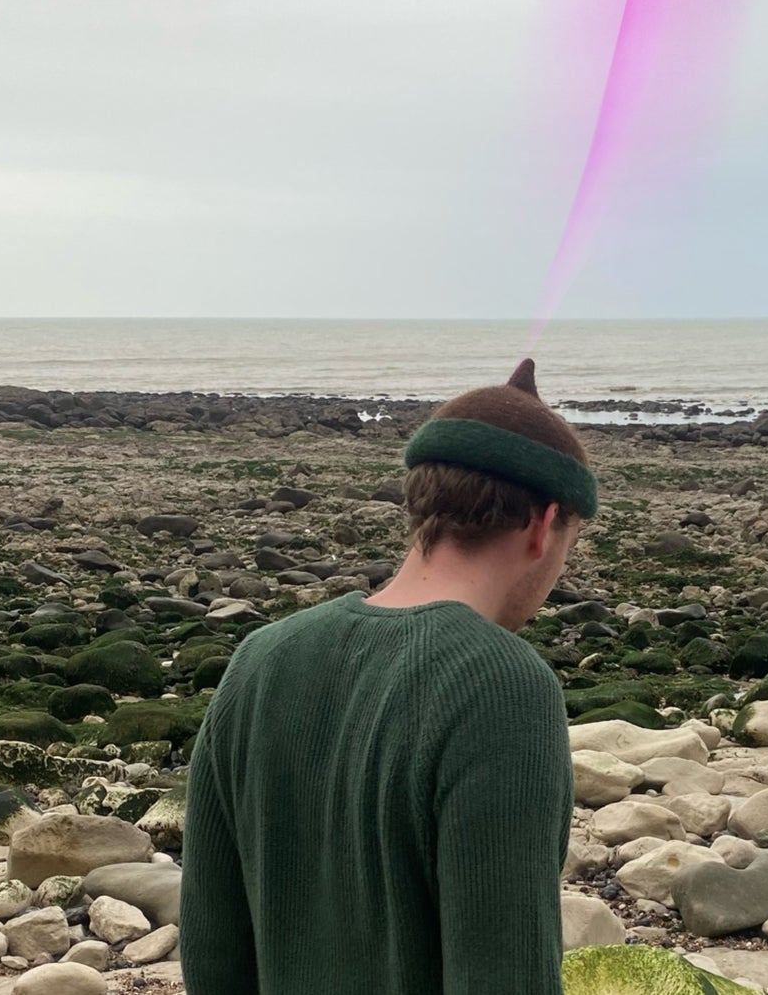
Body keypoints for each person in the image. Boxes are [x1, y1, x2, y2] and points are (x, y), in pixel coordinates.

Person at [177, 357, 595, 994]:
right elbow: (506, 977)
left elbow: (211, 953)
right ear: (544, 527)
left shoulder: (258, 660)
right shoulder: (504, 684)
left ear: (423, 499)